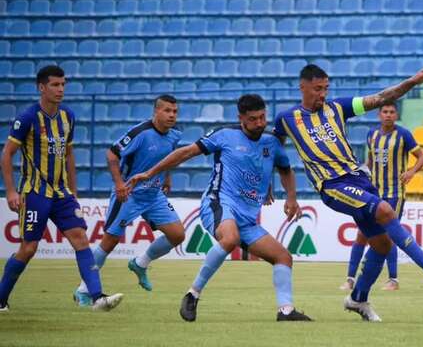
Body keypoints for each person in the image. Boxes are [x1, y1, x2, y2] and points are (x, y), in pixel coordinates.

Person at [273, 64, 423, 322]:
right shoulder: (287, 119)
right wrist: (288, 196)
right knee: (385, 210)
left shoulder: (338, 108)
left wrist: (413, 81)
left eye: (326, 88)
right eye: (318, 89)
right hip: (332, 185)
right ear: (303, 87)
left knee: (383, 244)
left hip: (359, 179)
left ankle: (358, 299)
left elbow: (382, 98)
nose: (323, 94)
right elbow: (273, 153)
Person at [127, 94, 312, 322]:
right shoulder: (224, 135)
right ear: (240, 117)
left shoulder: (271, 142)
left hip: (246, 218)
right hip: (218, 202)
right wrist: (150, 172)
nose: (260, 123)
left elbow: (285, 169)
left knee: (283, 257)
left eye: (263, 117)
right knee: (230, 238)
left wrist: (291, 198)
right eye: (253, 119)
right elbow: (185, 152)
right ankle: (192, 294)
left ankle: (286, 311)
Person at [0, 65, 123, 312]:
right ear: (41, 88)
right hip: (34, 193)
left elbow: (68, 155)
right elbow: (7, 155)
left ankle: (97, 297)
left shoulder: (68, 116)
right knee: (28, 248)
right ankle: (1, 298)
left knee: (81, 240)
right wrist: (12, 191)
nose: (60, 89)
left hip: (61, 193)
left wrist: (74, 193)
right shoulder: (27, 118)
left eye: (63, 84)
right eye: (55, 85)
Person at [73, 95, 185, 305]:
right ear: (156, 112)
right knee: (110, 241)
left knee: (178, 235)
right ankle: (83, 290)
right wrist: (118, 184)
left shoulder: (175, 134)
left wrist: (167, 177)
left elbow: (168, 156)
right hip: (129, 194)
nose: (172, 115)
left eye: (175, 111)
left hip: (154, 194)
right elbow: (111, 154)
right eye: (167, 110)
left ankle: (141, 263)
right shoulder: (140, 133)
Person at [340, 102, 423, 292]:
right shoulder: (372, 135)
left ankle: (393, 280)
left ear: (396, 115)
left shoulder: (404, 135)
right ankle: (349, 279)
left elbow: (422, 157)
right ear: (379, 115)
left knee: (388, 235)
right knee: (362, 234)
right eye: (385, 112)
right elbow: (370, 162)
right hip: (373, 193)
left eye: (392, 112)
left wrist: (411, 172)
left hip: (395, 193)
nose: (388, 115)